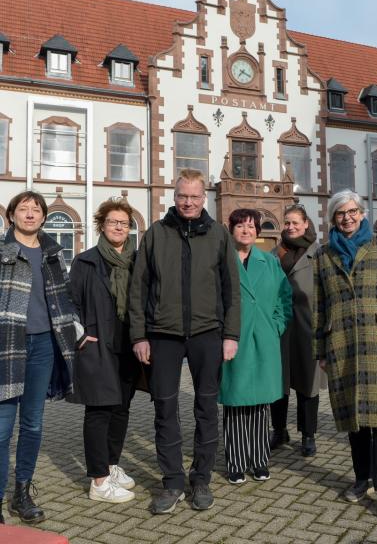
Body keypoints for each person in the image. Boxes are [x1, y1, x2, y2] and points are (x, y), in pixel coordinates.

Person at [129, 169, 240, 515]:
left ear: (203, 197)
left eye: (194, 196)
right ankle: (173, 481)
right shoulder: (155, 234)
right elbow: (138, 289)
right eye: (182, 196)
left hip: (208, 333)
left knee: (206, 407)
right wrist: (139, 335)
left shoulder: (220, 236)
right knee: (165, 408)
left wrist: (231, 335)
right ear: (173, 196)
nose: (188, 202)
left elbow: (232, 291)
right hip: (163, 335)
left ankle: (201, 478)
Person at [313, 189, 377, 524]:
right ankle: (362, 478)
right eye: (341, 213)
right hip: (341, 342)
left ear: (363, 213)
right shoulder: (325, 255)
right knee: (354, 418)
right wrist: (320, 350)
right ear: (333, 219)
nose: (348, 218)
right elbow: (320, 306)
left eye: (353, 211)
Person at [0, 191, 79, 524]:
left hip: (44, 345)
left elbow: (64, 296)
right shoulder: (2, 252)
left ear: (44, 218)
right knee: (2, 429)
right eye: (23, 208)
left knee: (32, 424)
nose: (29, 214)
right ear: (12, 215)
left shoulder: (52, 254)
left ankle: (22, 492)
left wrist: (75, 326)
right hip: (7, 344)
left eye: (36, 210)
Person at [69, 198, 140, 504]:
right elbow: (69, 302)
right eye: (113, 222)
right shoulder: (85, 261)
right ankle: (98, 481)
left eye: (124, 223)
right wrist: (80, 334)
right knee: (99, 410)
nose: (118, 227)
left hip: (129, 345)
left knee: (121, 409)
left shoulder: (138, 262)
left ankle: (111, 465)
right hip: (98, 346)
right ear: (102, 224)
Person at [219, 209, 292, 484]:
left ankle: (260, 460)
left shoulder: (270, 262)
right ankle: (236, 462)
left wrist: (276, 325)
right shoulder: (223, 262)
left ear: (258, 232)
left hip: (263, 338)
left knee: (260, 405)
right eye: (240, 226)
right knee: (236, 402)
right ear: (231, 230)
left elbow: (285, 299)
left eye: (251, 226)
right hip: (233, 339)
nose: (246, 231)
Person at [270, 204, 325, 457]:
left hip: (308, 327)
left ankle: (308, 434)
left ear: (306, 224)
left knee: (307, 385)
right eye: (287, 223)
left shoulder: (320, 254)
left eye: (295, 223)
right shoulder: (273, 254)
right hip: (279, 328)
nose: (291, 227)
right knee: (278, 383)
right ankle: (279, 430)